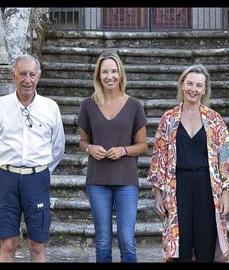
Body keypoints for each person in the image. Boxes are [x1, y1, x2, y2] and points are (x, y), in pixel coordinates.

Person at [147, 64, 229, 262]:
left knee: (206, 245)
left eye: (198, 85)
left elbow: (227, 159)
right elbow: (158, 159)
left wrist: (226, 194)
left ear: (204, 90)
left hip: (207, 186)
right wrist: (157, 194)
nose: (193, 89)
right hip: (177, 186)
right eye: (189, 83)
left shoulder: (214, 120)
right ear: (181, 85)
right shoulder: (168, 119)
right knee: (180, 246)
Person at [0, 54, 65, 262]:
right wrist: (1, 170)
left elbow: (58, 147)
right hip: (7, 180)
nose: (27, 79)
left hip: (38, 180)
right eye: (23, 74)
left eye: (32, 74)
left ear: (39, 77)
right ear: (13, 76)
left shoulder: (50, 107)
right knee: (8, 244)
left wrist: (41, 171)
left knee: (37, 245)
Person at [77, 50, 148, 263]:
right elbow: (82, 141)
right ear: (98, 75)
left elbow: (143, 145)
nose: (110, 76)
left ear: (121, 74)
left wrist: (124, 150)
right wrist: (90, 149)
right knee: (103, 240)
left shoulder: (134, 105)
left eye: (114, 71)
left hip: (126, 181)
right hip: (97, 181)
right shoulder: (87, 105)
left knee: (127, 239)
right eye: (105, 72)